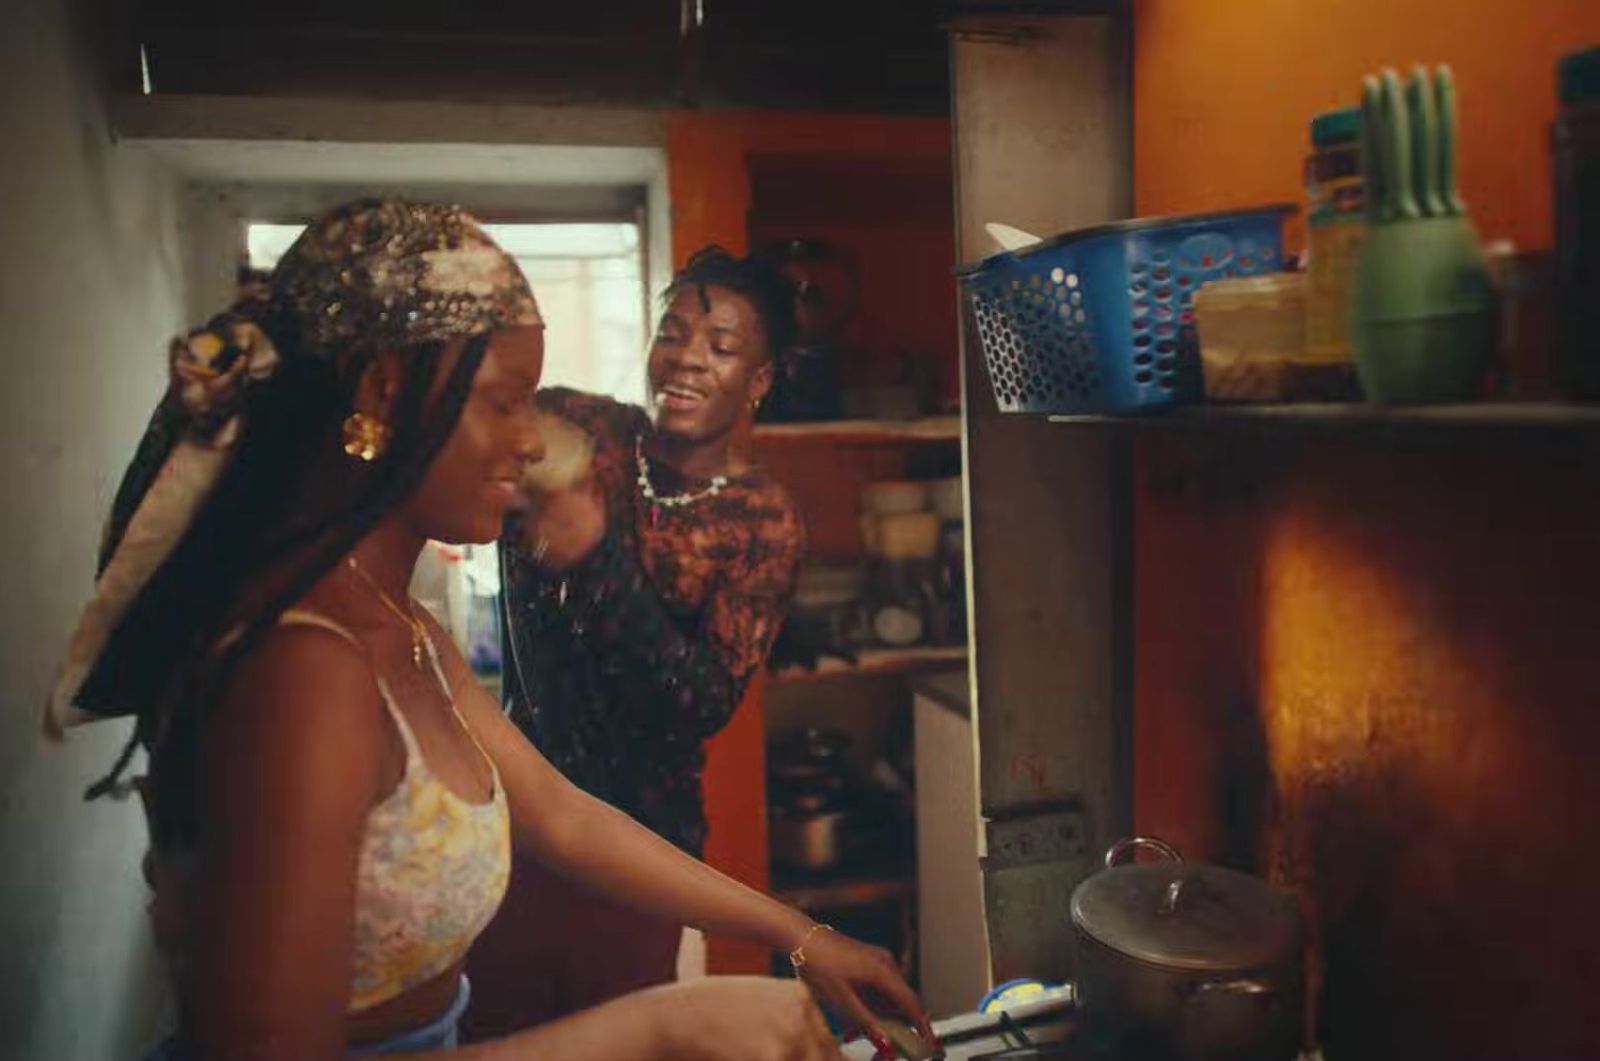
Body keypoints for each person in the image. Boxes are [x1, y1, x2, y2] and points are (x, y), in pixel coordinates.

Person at [45, 199, 931, 1059]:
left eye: (532, 405)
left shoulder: (404, 626)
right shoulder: (301, 668)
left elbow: (562, 815)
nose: (533, 442)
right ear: (385, 393)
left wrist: (804, 934)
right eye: (508, 402)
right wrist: (666, 1026)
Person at [467, 247, 809, 1036]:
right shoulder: (582, 428)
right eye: (674, 332)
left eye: (722, 347)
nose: (688, 356)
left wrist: (596, 560)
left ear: (758, 381)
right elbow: (483, 425)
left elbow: (697, 702)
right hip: (509, 827)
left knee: (621, 1041)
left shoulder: (761, 519)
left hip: (638, 856)